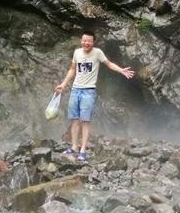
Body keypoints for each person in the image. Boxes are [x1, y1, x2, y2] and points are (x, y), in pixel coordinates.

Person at [55, 31, 134, 161]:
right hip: (75, 90)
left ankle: (83, 150)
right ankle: (74, 147)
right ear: (81, 41)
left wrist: (121, 70)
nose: (86, 43)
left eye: (89, 41)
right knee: (74, 120)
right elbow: (72, 70)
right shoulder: (77, 53)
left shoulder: (97, 53)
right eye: (84, 40)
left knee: (85, 121)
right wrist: (63, 84)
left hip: (88, 91)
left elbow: (108, 64)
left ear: (93, 42)